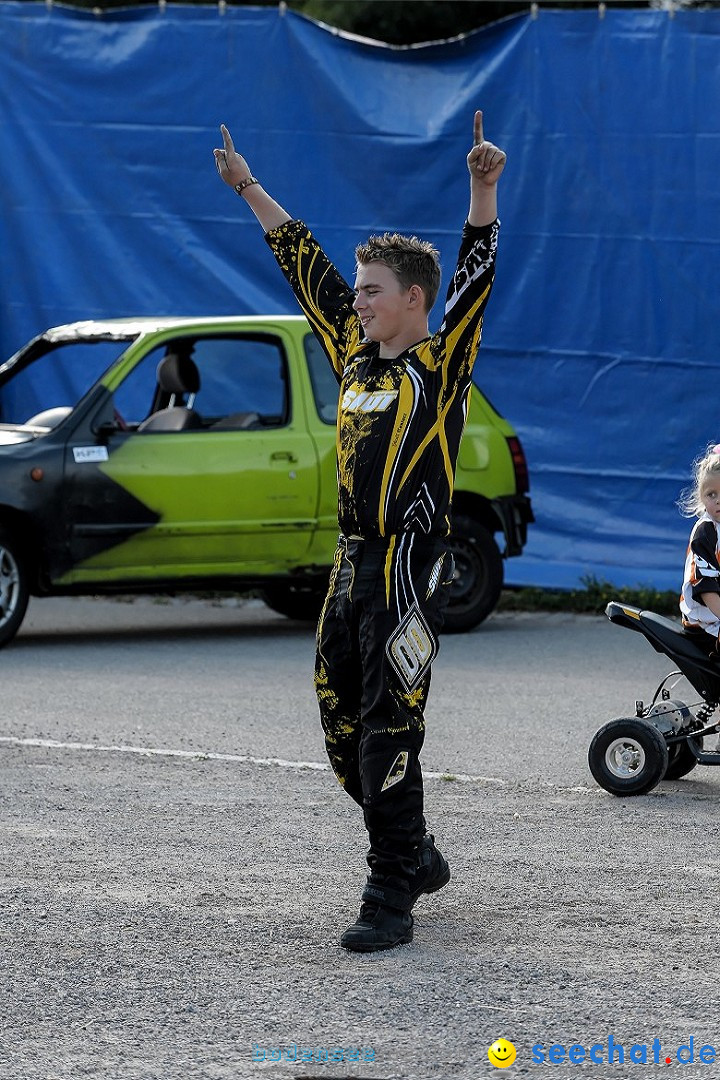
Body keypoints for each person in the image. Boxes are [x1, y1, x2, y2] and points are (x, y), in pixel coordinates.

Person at [214, 112, 506, 952]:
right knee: (342, 727)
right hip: (347, 567)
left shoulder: (438, 363)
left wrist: (482, 191)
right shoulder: (351, 348)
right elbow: (298, 257)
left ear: (414, 298)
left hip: (408, 566)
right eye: (357, 288)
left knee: (391, 725)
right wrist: (246, 185)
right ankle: (412, 849)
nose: (358, 298)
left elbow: (478, 278)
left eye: (372, 288)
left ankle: (390, 894)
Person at [679, 444, 720, 652]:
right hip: (705, 624)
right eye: (711, 494)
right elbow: (706, 587)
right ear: (701, 497)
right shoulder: (705, 533)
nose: (718, 501)